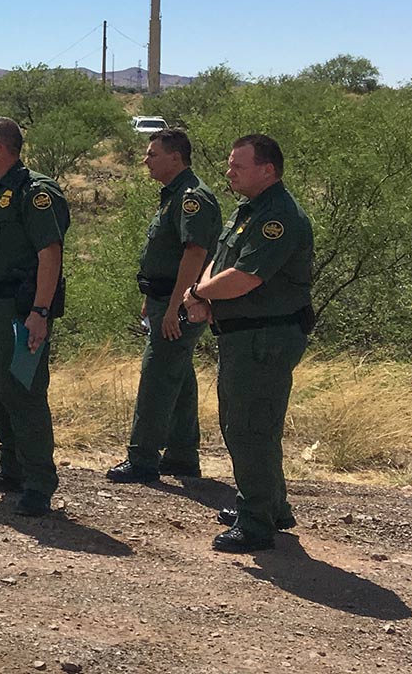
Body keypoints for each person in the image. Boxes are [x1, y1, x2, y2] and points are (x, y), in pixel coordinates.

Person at [182, 133, 313, 553]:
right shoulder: (249, 211)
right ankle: (271, 506)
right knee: (253, 424)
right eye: (230, 164)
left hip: (266, 337)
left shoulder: (278, 217)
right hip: (245, 334)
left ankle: (256, 522)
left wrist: (201, 296)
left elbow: (245, 278)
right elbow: (222, 263)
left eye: (238, 165)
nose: (229, 171)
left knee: (249, 426)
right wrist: (198, 294)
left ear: (267, 170)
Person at [0, 117, 69, 516]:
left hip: (21, 310)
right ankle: (12, 466)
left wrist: (40, 312)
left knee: (23, 392)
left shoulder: (35, 192)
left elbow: (49, 254)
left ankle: (40, 481)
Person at [107, 128, 220, 484]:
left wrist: (175, 307)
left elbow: (196, 253)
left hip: (179, 303)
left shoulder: (192, 198)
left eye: (152, 154)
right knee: (179, 376)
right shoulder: (173, 196)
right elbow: (167, 254)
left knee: (157, 376)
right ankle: (182, 455)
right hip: (162, 299)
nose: (146, 160)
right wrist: (151, 297)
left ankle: (142, 457)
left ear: (175, 157)